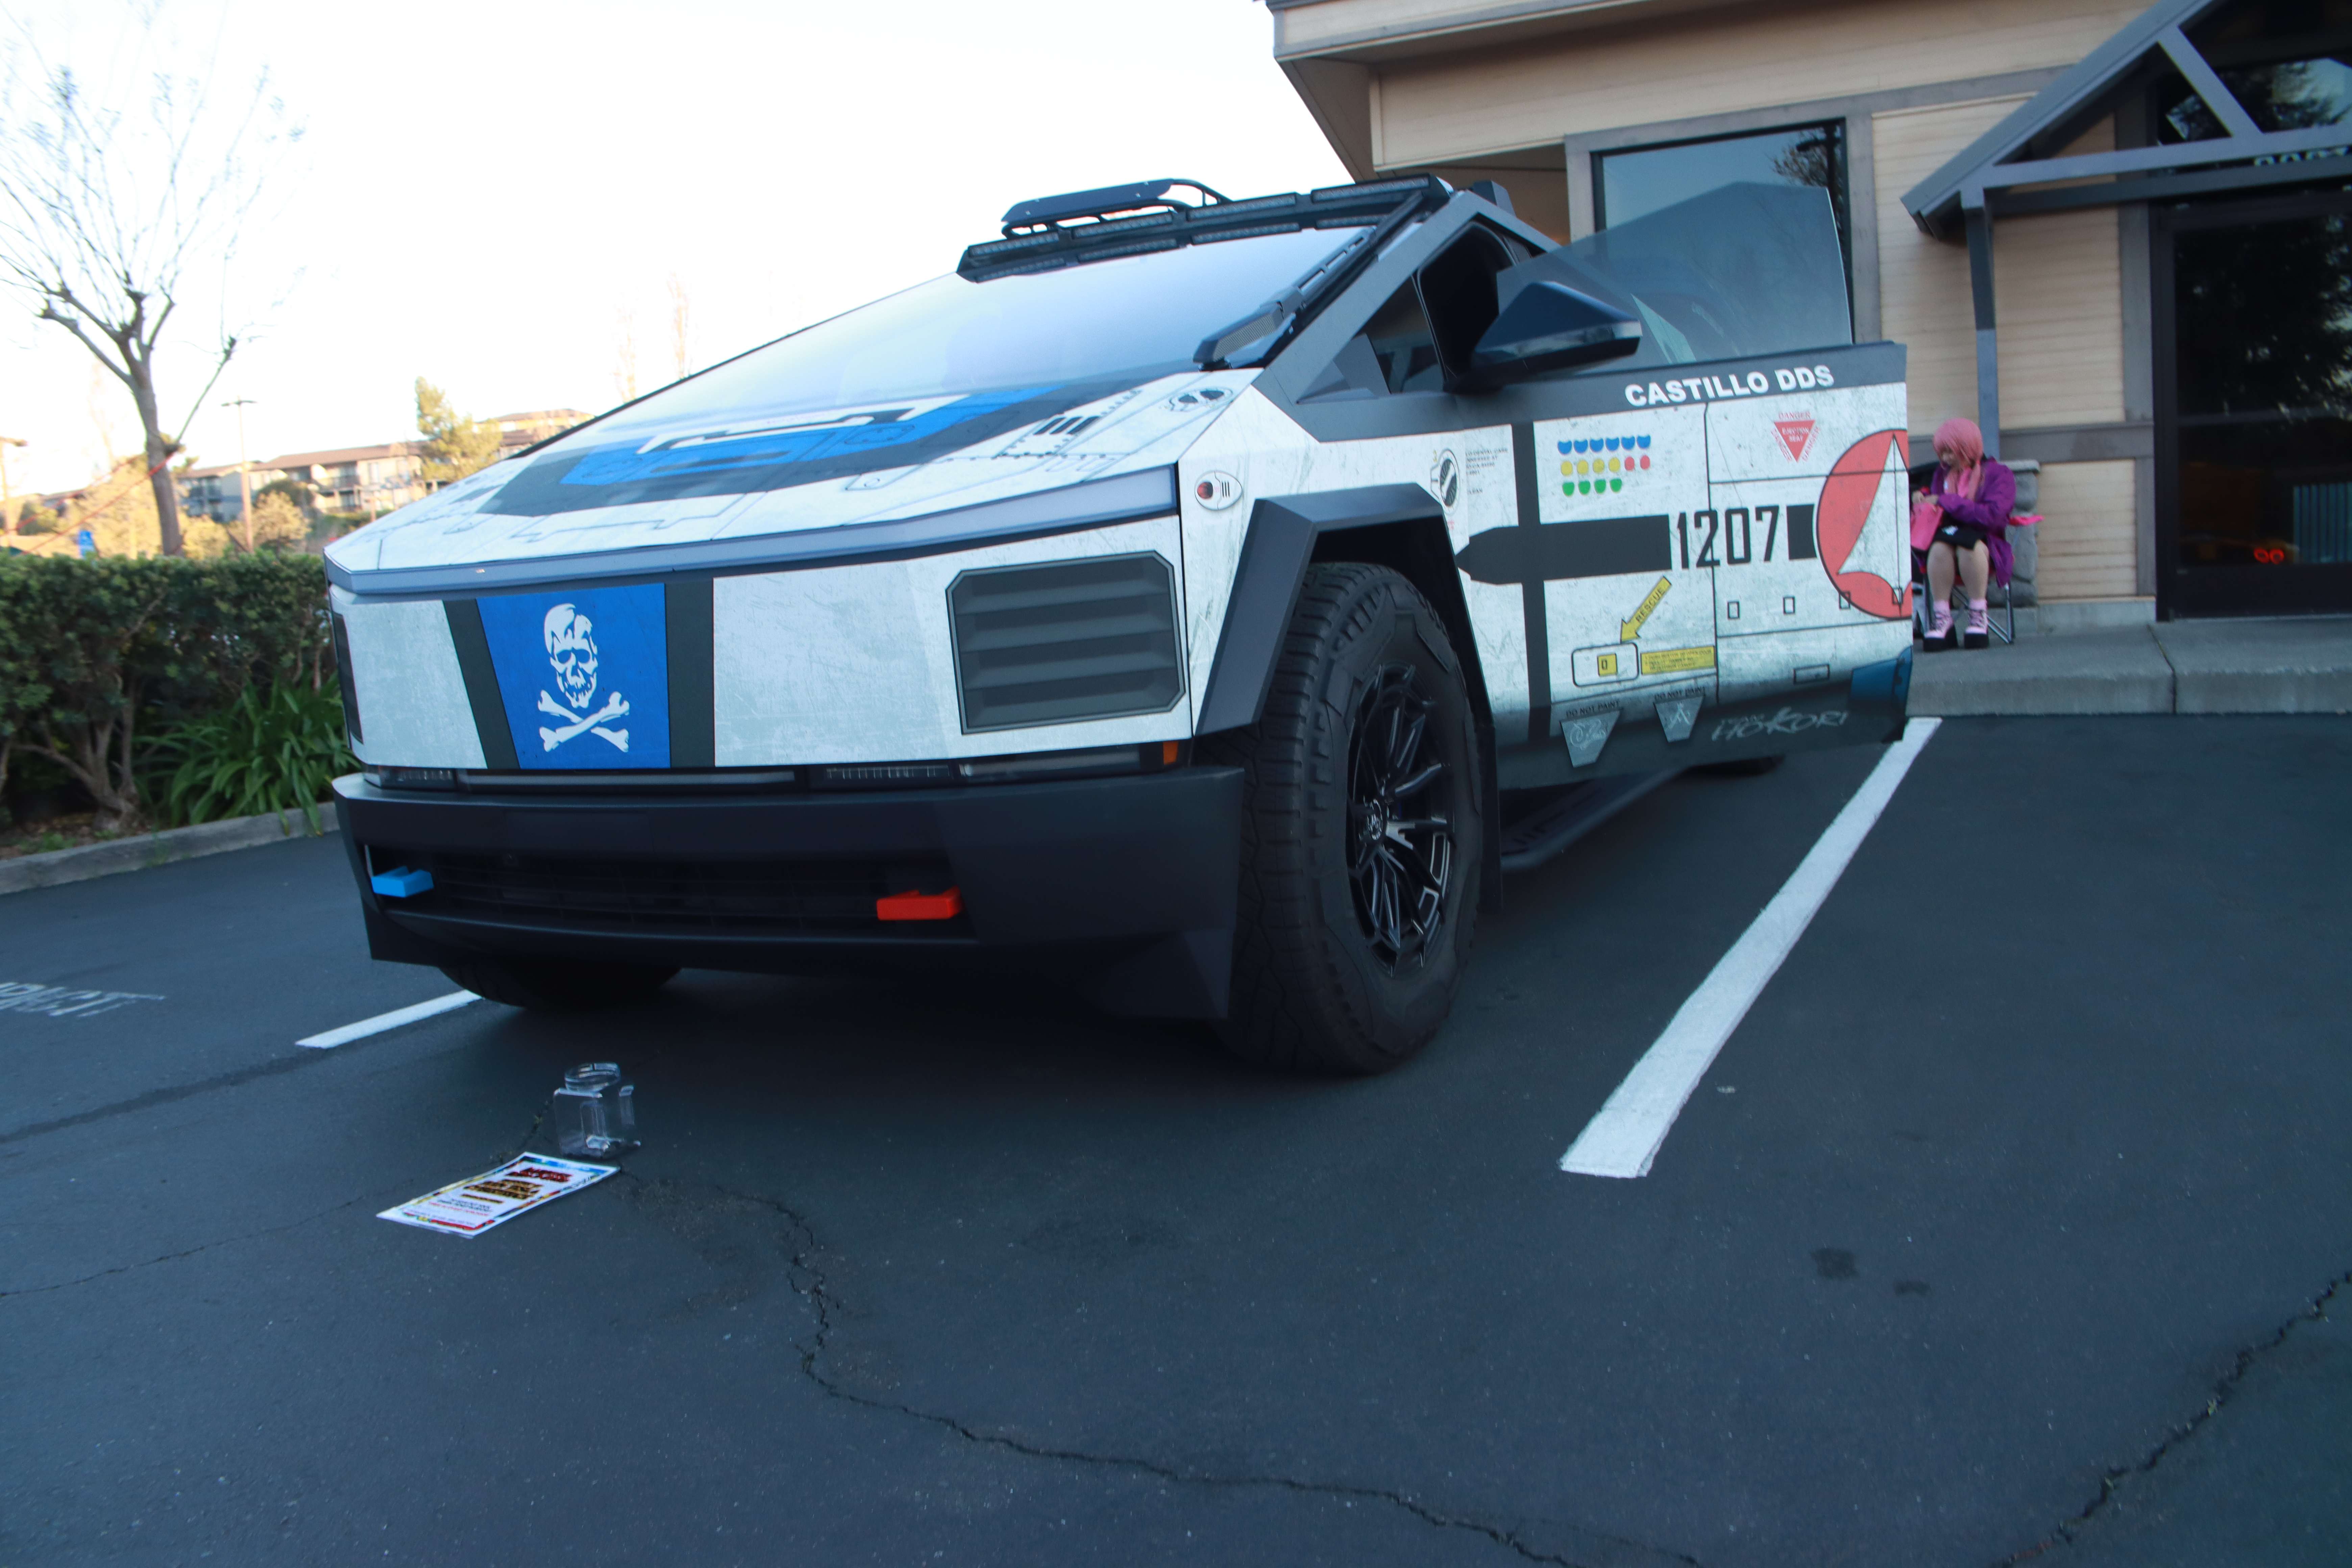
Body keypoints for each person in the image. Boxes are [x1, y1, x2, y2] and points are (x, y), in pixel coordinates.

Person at [1917, 417, 2016, 651]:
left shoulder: (1999, 475)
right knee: (1940, 548)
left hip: (1986, 544)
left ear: (1967, 448)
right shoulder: (1941, 476)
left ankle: (1978, 615)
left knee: (1968, 546)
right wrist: (1923, 498)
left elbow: (1991, 516)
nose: (1945, 459)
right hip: (1947, 540)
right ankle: (1943, 619)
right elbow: (1937, 506)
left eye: (1950, 452)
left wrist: (1947, 501)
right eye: (1942, 453)